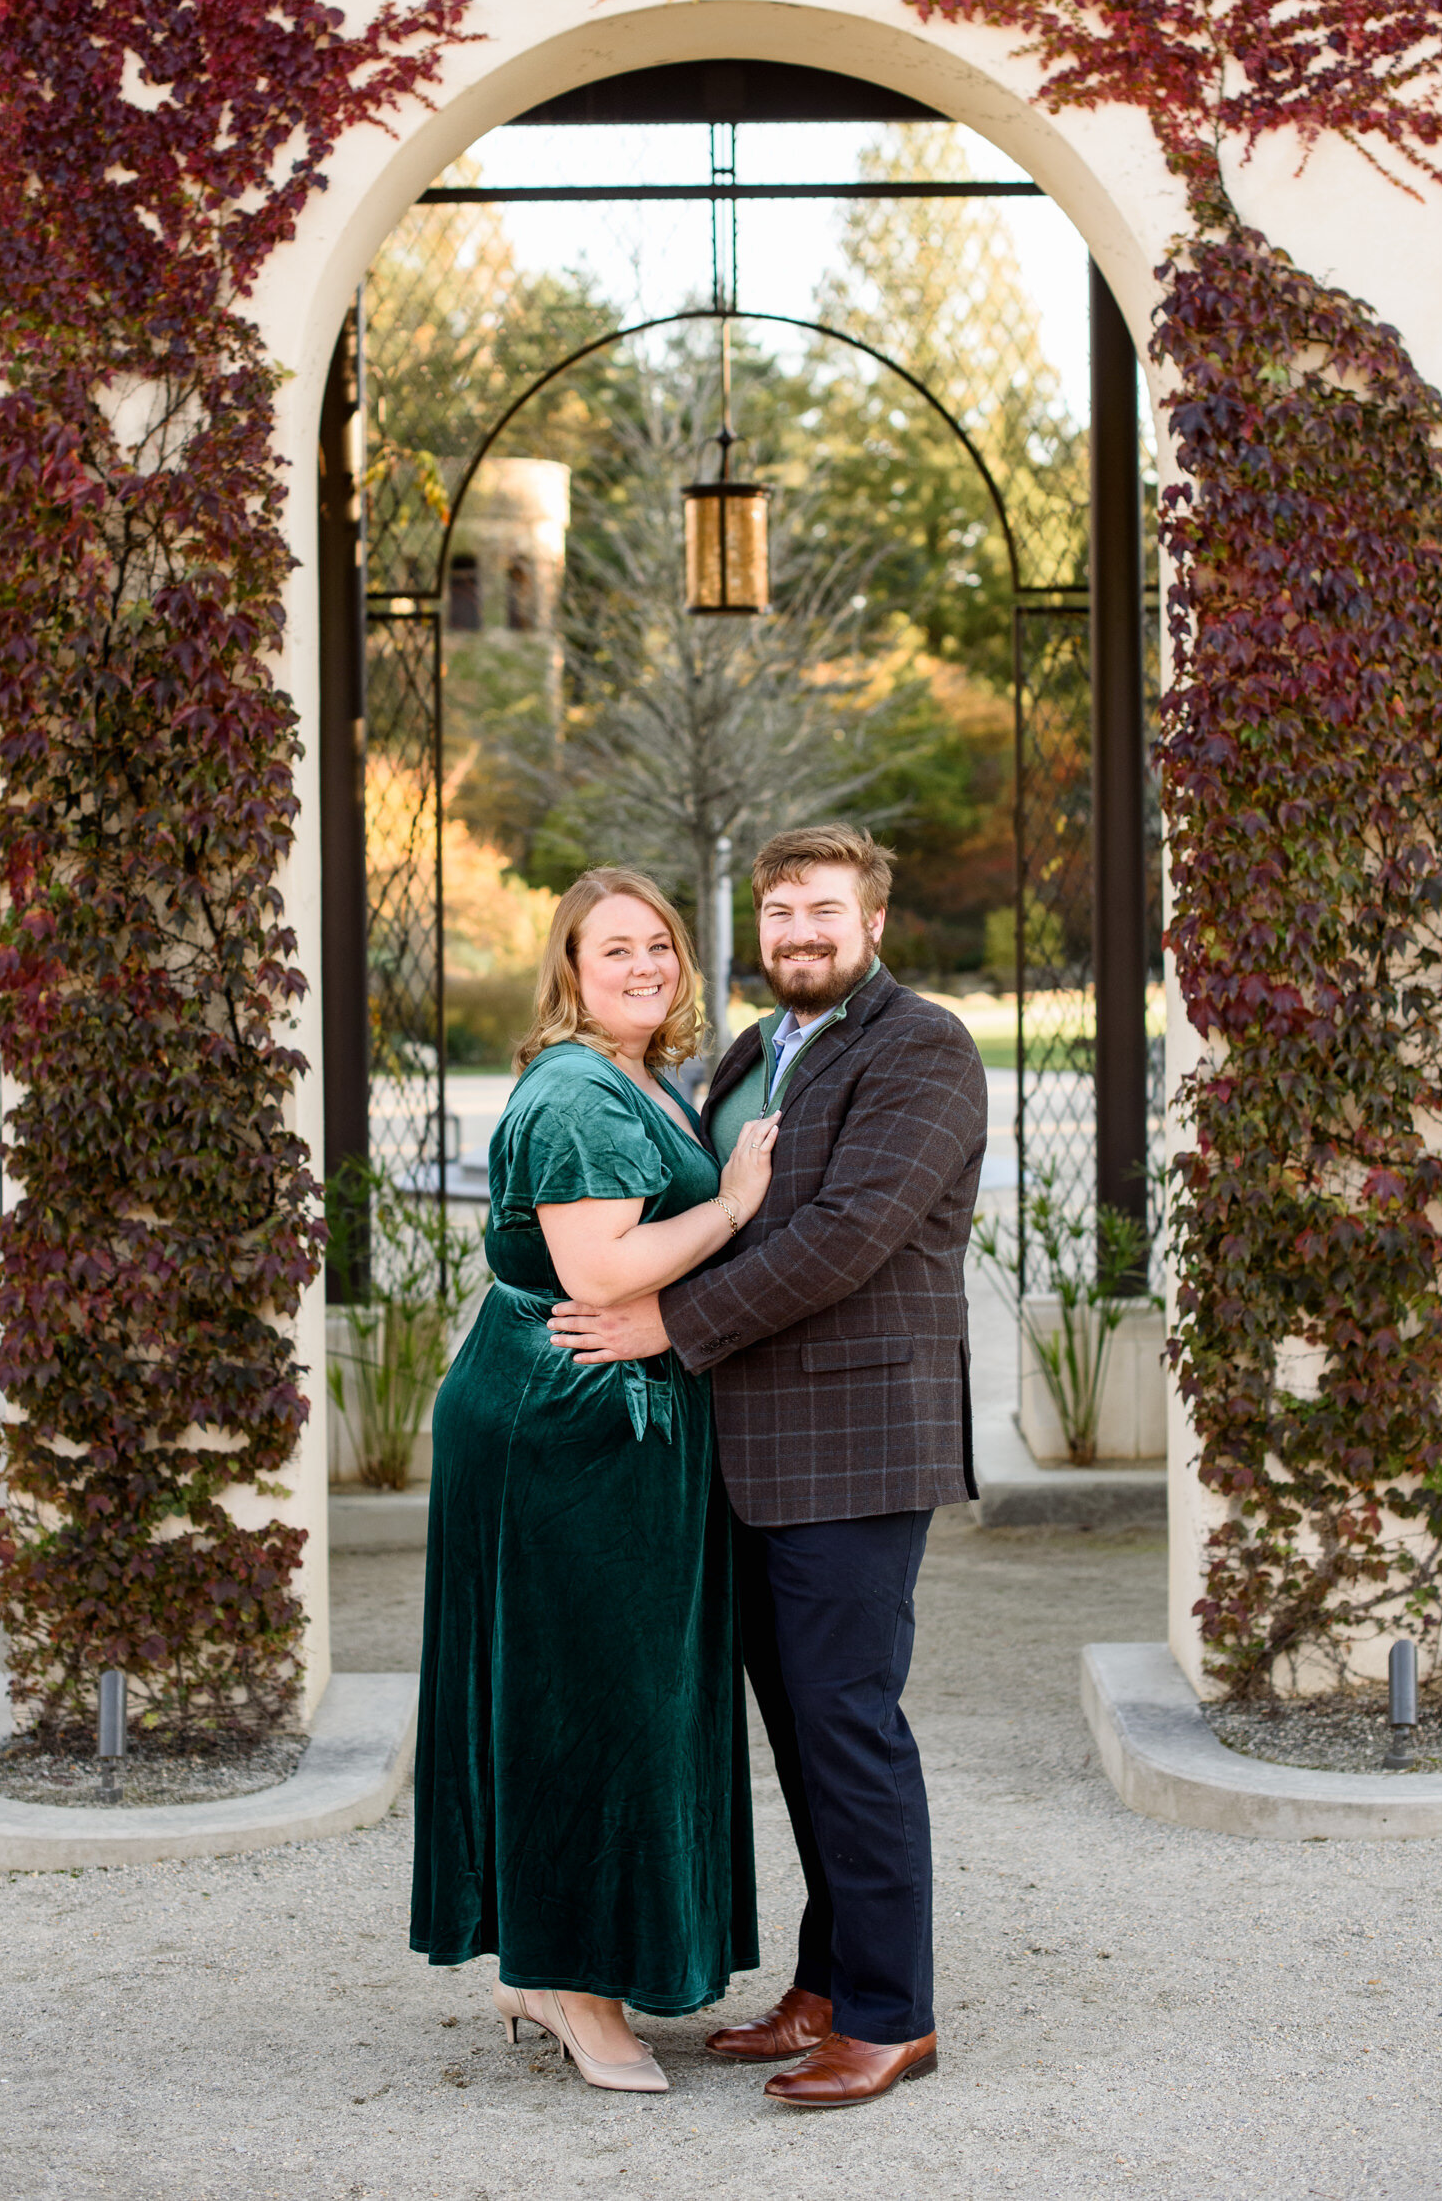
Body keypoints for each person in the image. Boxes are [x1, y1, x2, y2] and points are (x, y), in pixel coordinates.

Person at [549, 823, 989, 2111]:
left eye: (825, 910)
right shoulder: (755, 1051)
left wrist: (667, 1325)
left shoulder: (923, 1047)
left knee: (850, 1727)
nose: (801, 931)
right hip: (740, 1454)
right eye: (782, 910)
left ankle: (892, 2014)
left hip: (854, 1450)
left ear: (873, 922)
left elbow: (852, 1234)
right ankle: (828, 1981)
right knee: (799, 1739)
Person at [409, 868, 778, 2092]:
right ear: (568, 967)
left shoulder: (633, 1076)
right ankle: (568, 1981)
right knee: (581, 1705)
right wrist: (729, 1207)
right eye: (614, 947)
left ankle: (564, 1963)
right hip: (562, 1426)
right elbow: (599, 1268)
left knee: (616, 1696)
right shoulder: (577, 1090)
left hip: (603, 1420)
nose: (644, 964)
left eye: (660, 944)